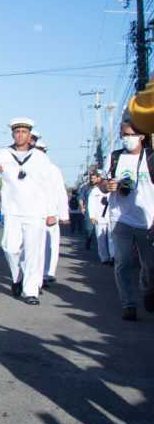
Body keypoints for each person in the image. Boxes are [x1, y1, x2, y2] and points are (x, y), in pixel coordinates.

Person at [0, 118, 60, 305]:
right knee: (10, 248)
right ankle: (17, 277)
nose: (20, 135)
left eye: (24, 132)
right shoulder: (5, 153)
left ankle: (31, 291)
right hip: (13, 210)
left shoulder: (40, 157)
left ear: (30, 135)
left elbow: (47, 186)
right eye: (17, 131)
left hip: (35, 210)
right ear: (13, 134)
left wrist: (51, 212)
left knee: (33, 252)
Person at [99, 116, 154, 320]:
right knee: (123, 261)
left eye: (132, 135)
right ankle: (128, 304)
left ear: (142, 136)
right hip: (120, 218)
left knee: (150, 265)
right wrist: (107, 186)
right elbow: (102, 184)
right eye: (124, 135)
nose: (127, 139)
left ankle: (147, 290)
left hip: (147, 219)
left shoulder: (151, 157)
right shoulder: (114, 157)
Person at [33, 141, 70, 286]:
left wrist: (63, 214)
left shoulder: (52, 169)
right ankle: (33, 275)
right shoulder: (24, 168)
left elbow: (60, 192)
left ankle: (46, 273)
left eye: (40, 150)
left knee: (49, 245)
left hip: (50, 214)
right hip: (31, 214)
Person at [85, 171, 113, 265]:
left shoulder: (112, 190)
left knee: (112, 238)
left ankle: (113, 256)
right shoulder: (95, 190)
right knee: (101, 240)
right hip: (99, 218)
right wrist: (92, 216)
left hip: (111, 217)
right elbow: (91, 204)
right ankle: (104, 258)